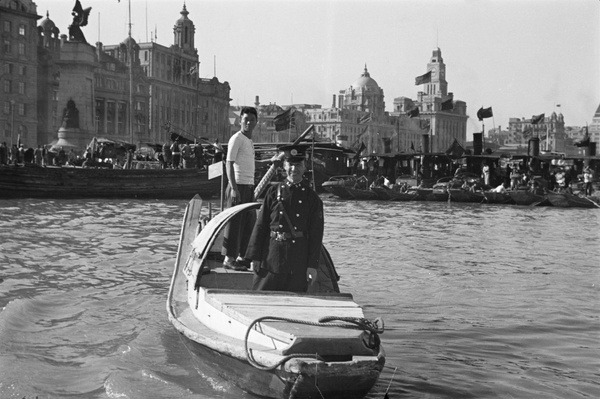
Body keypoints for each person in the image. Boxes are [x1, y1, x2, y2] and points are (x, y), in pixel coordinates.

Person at [246, 145, 324, 292]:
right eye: (291, 165)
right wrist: (254, 257)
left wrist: (312, 266)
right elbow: (261, 226)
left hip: (298, 262)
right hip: (271, 259)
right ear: (284, 166)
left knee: (294, 306)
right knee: (262, 300)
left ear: (305, 166)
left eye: (298, 165)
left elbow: (316, 235)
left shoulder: (312, 198)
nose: (294, 169)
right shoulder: (273, 192)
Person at [221, 106, 258, 270]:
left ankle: (242, 256)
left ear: (256, 122)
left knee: (249, 223)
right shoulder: (236, 138)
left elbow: (251, 165)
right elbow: (228, 164)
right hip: (238, 186)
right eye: (246, 119)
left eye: (252, 120)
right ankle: (229, 259)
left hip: (249, 187)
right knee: (235, 224)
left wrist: (272, 160)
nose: (249, 122)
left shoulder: (249, 142)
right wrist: (234, 188)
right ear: (240, 121)